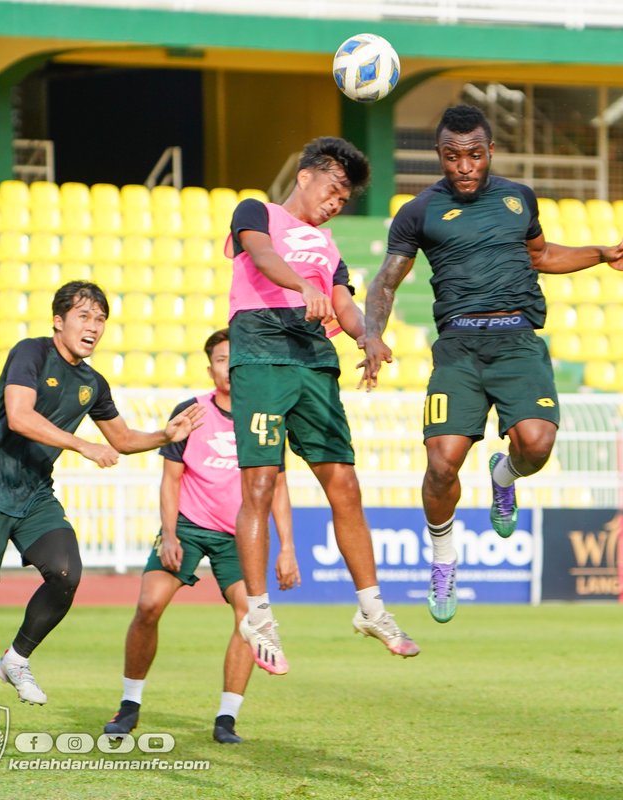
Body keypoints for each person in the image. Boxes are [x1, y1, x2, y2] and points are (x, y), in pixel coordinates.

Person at [359, 104, 623, 623]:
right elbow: (384, 280)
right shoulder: (418, 212)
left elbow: (540, 255)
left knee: (536, 444)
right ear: (440, 157)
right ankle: (444, 561)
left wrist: (601, 254)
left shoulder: (519, 199)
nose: (463, 166)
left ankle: (505, 473)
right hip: (459, 349)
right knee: (442, 461)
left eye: (473, 155)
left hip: (517, 342)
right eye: (452, 156)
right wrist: (372, 335)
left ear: (489, 151)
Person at [0, 281, 205, 744]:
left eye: (100, 319)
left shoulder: (92, 383)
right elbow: (19, 415)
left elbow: (121, 439)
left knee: (66, 573)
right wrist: (82, 444)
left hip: (35, 496)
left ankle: (15, 659)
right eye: (84, 316)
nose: (93, 327)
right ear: (59, 320)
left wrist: (166, 434)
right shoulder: (31, 353)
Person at [228, 136, 419, 675]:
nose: (336, 203)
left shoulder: (329, 246)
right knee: (260, 485)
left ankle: (372, 609)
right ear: (308, 175)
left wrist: (368, 338)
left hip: (315, 361)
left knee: (345, 484)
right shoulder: (256, 210)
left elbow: (342, 303)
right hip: (263, 352)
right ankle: (259, 616)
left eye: (344, 199)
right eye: (333, 190)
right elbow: (262, 257)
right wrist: (300, 286)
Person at [102, 329, 299, 745]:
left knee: (250, 617)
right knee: (148, 604)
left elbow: (278, 487)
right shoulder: (191, 412)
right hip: (188, 526)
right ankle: (129, 705)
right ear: (210, 367)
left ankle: (227, 718)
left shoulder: (265, 417)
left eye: (238, 358)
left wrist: (288, 548)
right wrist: (170, 534)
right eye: (223, 359)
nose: (230, 367)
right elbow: (171, 480)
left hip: (239, 534)